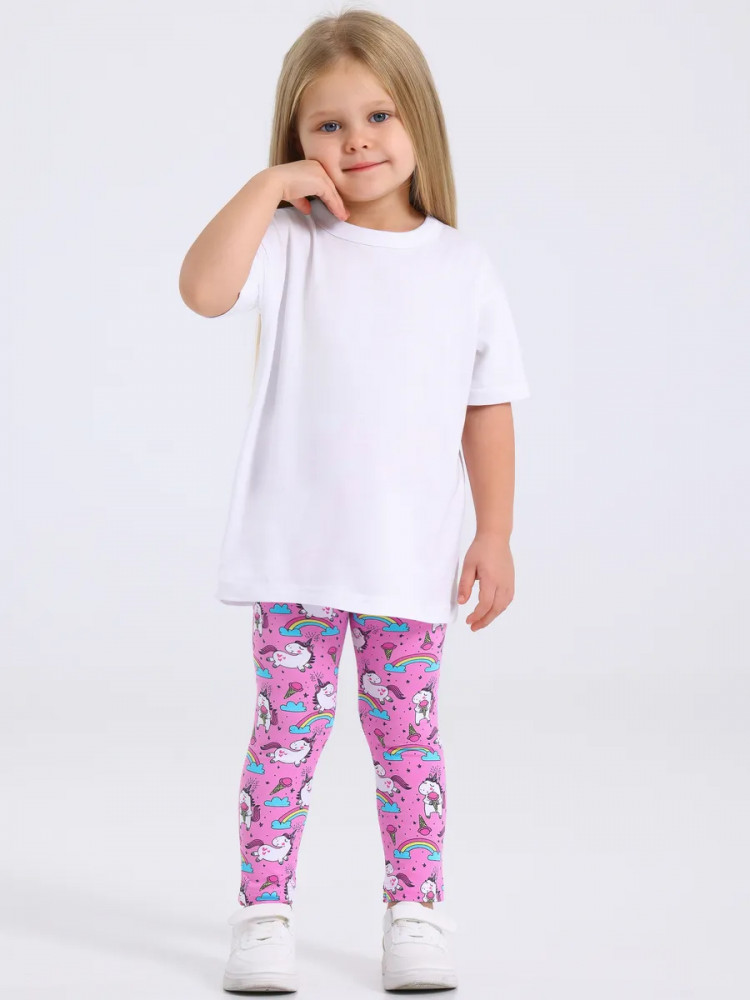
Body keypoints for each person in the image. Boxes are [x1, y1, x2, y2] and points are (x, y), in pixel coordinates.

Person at [179, 8, 530, 993]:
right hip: (296, 557)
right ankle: (263, 912)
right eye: (327, 125)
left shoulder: (460, 265)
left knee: (407, 740)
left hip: (404, 559)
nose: (356, 141)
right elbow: (202, 291)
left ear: (418, 119)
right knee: (284, 739)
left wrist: (495, 531)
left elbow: (488, 404)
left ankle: (415, 909)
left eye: (378, 115)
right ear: (299, 140)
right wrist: (267, 187)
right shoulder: (289, 243)